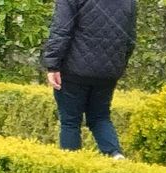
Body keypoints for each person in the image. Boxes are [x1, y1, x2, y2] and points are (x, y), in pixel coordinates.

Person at [43, 0, 137, 158]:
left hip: (74, 70)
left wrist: (53, 65)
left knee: (70, 122)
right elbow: (130, 38)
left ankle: (71, 167)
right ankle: (115, 155)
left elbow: (61, 30)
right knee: (100, 117)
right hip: (108, 72)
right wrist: (118, 66)